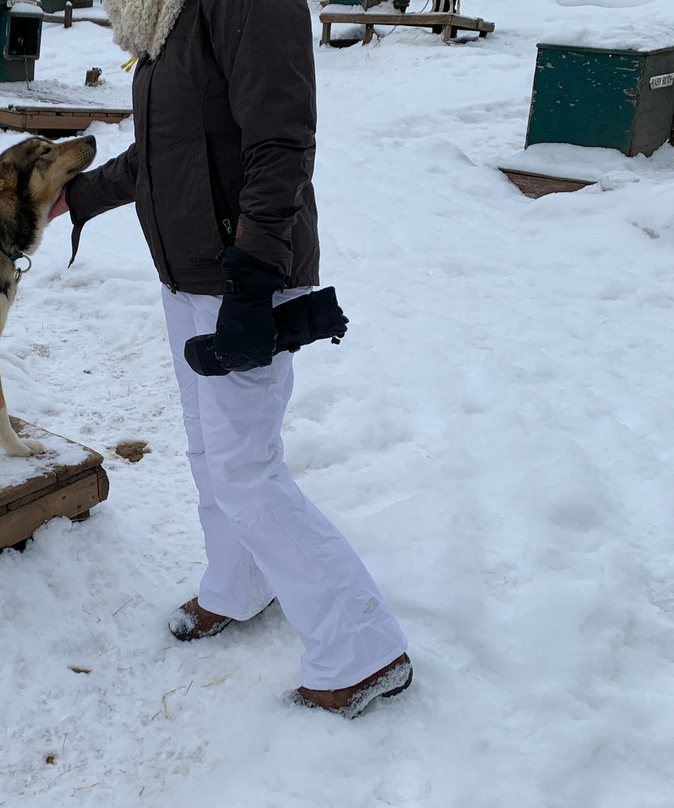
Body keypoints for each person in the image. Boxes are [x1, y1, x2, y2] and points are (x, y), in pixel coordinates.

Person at [50, 0, 412, 718]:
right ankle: (238, 581)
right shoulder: (163, 13)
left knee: (246, 469)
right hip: (188, 270)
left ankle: (365, 649)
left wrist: (254, 275)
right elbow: (172, 149)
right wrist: (77, 193)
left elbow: (279, 142)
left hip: (241, 273)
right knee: (209, 450)